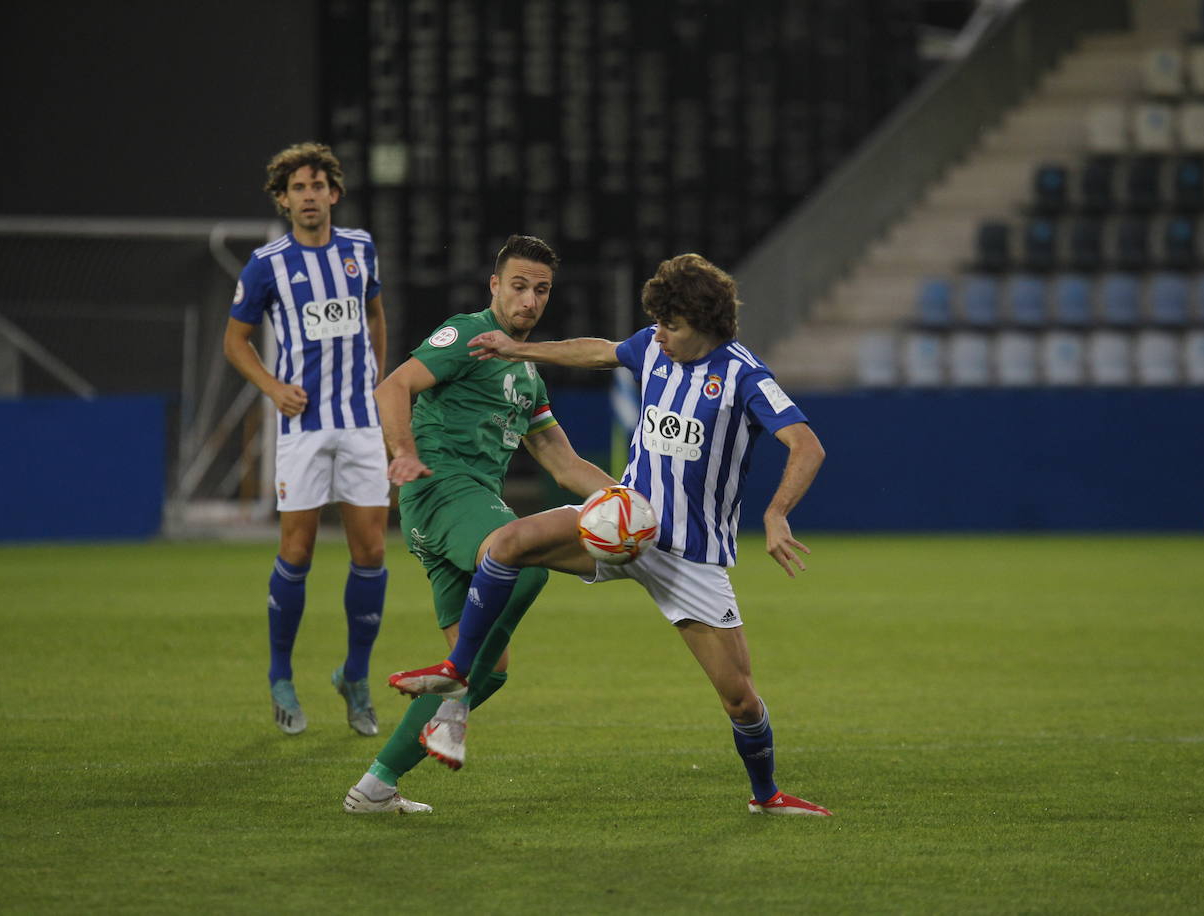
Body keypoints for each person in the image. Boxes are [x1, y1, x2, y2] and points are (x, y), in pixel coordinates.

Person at [388, 252, 833, 816]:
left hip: (689, 557)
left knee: (740, 698)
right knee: (507, 545)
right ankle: (456, 677)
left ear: (706, 325)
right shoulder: (651, 346)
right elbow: (597, 350)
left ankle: (765, 794)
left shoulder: (745, 375)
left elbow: (806, 444)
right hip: (621, 523)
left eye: (672, 326)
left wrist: (776, 514)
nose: (659, 335)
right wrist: (519, 348)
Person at [342, 235, 619, 814]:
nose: (530, 300)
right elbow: (393, 386)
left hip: (464, 513)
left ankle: (376, 786)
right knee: (525, 565)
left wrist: (625, 497)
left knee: (491, 670)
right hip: (444, 491)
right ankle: (453, 701)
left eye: (541, 290)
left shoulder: (528, 374)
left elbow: (564, 464)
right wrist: (403, 450)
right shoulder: (468, 336)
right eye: (518, 285)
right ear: (494, 285)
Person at [223, 142, 390, 738]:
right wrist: (273, 388)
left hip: (360, 424)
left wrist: (376, 381)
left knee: (371, 552)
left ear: (334, 194)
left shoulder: (361, 248)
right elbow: (235, 341)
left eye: (319, 185)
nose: (310, 195)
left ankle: (356, 675)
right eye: (298, 187)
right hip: (303, 427)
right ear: (283, 199)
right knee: (297, 551)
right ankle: (280, 675)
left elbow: (375, 316)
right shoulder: (265, 264)